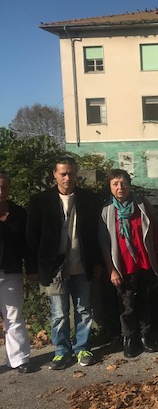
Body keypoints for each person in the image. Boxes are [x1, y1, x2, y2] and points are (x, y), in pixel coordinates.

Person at [26, 157, 101, 370]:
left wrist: (96, 263)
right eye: (63, 173)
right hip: (54, 267)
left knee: (84, 309)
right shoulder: (40, 201)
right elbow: (32, 237)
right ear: (55, 175)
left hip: (82, 265)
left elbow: (95, 235)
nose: (67, 177)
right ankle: (61, 352)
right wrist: (32, 268)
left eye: (71, 173)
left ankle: (82, 348)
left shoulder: (88, 199)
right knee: (59, 313)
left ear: (76, 175)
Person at [98, 169, 158, 358]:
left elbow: (154, 227)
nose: (120, 187)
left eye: (123, 183)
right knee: (126, 305)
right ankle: (129, 338)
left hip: (144, 262)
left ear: (129, 185)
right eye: (115, 184)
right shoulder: (106, 210)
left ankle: (145, 336)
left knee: (145, 300)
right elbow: (103, 243)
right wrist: (112, 270)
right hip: (123, 266)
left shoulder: (141, 204)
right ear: (110, 187)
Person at [0, 173, 37, 373]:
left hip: (11, 271)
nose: (1, 191)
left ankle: (19, 359)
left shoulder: (18, 213)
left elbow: (27, 244)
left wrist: (30, 269)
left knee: (14, 316)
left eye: (4, 187)